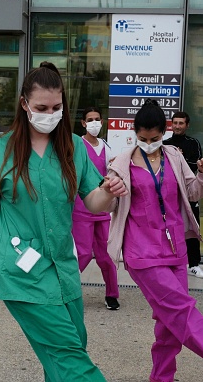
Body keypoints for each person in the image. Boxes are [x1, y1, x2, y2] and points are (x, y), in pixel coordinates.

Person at [0, 62, 127, 381]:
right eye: (41, 107)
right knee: (71, 360)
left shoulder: (73, 148)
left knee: (71, 349)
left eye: (57, 107)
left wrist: (109, 191)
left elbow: (94, 201)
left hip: (63, 267)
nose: (50, 113)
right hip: (21, 272)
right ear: (24, 105)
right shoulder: (0, 151)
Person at [107, 99, 203, 382]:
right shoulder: (121, 163)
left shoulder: (174, 156)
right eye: (142, 138)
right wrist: (109, 188)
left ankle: (161, 378)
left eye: (155, 138)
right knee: (182, 311)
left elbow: (193, 194)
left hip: (176, 250)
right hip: (142, 253)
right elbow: (107, 204)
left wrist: (201, 173)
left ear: (165, 132)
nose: (149, 143)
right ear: (134, 133)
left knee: (169, 325)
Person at [72, 107, 120, 310]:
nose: (94, 123)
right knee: (82, 254)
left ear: (102, 122)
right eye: (89, 120)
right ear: (83, 123)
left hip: (102, 209)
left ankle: (112, 294)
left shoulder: (106, 146)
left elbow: (112, 171)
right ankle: (67, 291)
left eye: (97, 119)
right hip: (81, 208)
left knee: (106, 255)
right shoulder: (76, 145)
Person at [163, 111, 203, 278]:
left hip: (189, 192)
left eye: (181, 123)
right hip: (170, 194)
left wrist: (180, 158)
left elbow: (197, 165)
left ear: (187, 125)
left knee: (192, 228)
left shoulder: (193, 143)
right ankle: (171, 261)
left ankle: (193, 264)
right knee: (169, 229)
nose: (177, 126)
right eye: (175, 123)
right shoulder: (165, 144)